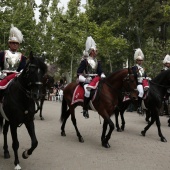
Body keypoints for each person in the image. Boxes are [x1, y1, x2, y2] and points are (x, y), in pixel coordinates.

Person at [77, 36, 106, 119]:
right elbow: (79, 72)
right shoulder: (85, 61)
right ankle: (85, 109)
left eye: (96, 50)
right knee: (87, 92)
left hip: (96, 79)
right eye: (94, 50)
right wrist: (85, 79)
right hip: (87, 80)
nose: (96, 52)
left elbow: (100, 70)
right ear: (91, 52)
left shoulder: (97, 61)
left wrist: (102, 74)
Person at [0, 24, 27, 93]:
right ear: (9, 44)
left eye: (16, 43)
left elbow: (22, 69)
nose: (15, 44)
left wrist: (19, 74)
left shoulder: (22, 57)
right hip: (4, 77)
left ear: (19, 45)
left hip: (16, 77)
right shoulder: (3, 54)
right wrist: (1, 74)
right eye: (13, 43)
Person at [132, 48, 146, 114]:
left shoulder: (143, 68)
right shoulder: (134, 67)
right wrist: (136, 72)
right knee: (141, 92)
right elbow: (133, 75)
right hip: (138, 83)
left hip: (144, 82)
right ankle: (139, 106)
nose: (140, 62)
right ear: (136, 61)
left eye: (141, 60)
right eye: (139, 60)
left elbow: (145, 75)